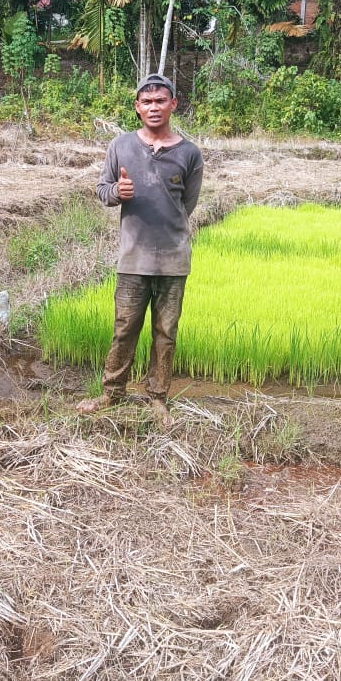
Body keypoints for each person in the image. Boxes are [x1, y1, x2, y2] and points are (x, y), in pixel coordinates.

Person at [77, 73, 203, 425]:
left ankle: (158, 396)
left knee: (166, 332)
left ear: (173, 104)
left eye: (160, 100)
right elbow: (103, 191)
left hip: (174, 259)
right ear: (137, 107)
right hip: (133, 260)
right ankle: (112, 393)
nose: (153, 107)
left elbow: (186, 205)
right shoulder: (121, 146)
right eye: (146, 102)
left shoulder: (189, 153)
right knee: (125, 327)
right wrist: (119, 193)